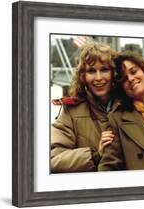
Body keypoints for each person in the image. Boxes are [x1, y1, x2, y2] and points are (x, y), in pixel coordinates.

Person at [50, 42, 118, 173]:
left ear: (114, 72)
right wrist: (95, 155)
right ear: (83, 76)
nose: (98, 78)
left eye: (104, 70)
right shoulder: (70, 111)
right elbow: (53, 158)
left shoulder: (131, 105)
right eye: (91, 71)